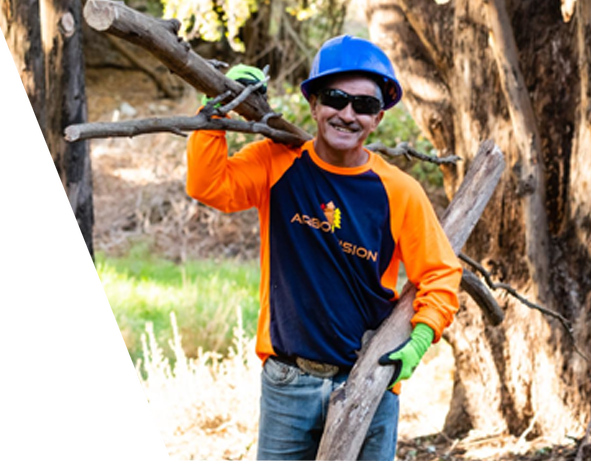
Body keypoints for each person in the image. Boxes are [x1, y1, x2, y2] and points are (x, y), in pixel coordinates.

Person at [186, 35, 462, 461]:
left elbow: (440, 273)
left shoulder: (399, 191)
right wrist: (215, 108)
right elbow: (210, 186)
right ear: (314, 104)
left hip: (368, 381)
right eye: (335, 98)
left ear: (378, 119)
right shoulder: (277, 162)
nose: (347, 114)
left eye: (365, 106)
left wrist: (421, 339)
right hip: (287, 383)